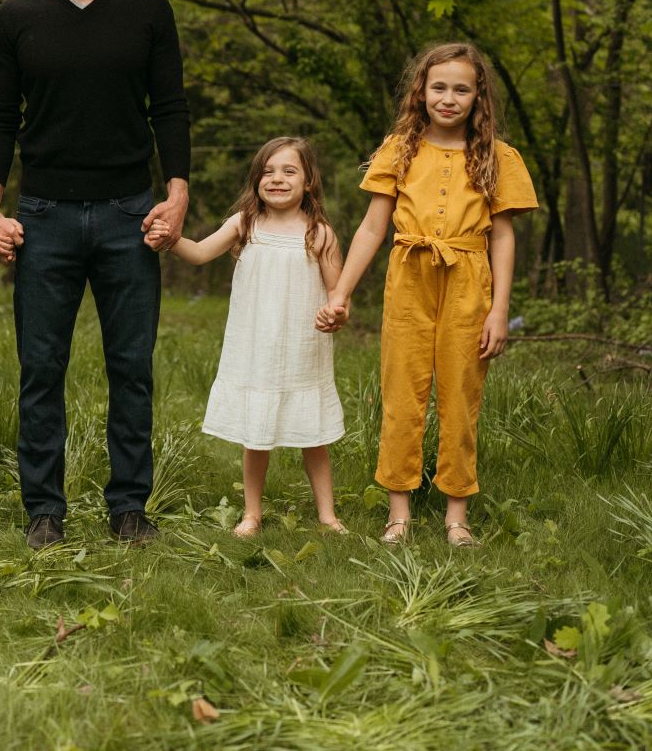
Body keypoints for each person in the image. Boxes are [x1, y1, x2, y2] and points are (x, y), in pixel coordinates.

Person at [0, 0, 191, 549]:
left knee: (131, 365)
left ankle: (129, 507)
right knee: (42, 367)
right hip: (43, 215)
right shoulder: (16, 18)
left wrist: (177, 193)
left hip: (131, 213)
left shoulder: (147, 11)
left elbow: (170, 108)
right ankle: (44, 509)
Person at [316, 43, 538, 547]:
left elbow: (502, 236)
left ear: (478, 96)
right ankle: (399, 512)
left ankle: (456, 515)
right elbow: (374, 226)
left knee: (461, 395)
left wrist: (500, 310)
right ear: (422, 92)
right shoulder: (400, 148)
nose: (449, 98)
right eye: (439, 87)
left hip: (468, 280)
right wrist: (341, 293)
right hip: (409, 276)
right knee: (403, 393)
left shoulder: (498, 157)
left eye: (461, 89)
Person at [171, 137, 347, 538]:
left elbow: (338, 293)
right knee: (257, 433)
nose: (277, 179)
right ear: (256, 180)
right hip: (257, 345)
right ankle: (252, 513)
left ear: (309, 182)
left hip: (303, 347)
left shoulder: (319, 233)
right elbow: (198, 253)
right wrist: (168, 238)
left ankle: (327, 514)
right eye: (267, 171)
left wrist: (336, 313)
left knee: (313, 434)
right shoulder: (244, 223)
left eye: (289, 171)